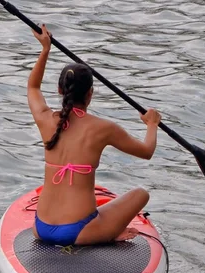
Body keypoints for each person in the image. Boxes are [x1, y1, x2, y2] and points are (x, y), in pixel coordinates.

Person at [27, 24, 162, 246]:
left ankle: (105, 229)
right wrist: (151, 124)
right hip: (79, 232)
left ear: (60, 90)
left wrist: (45, 50)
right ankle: (108, 232)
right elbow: (147, 152)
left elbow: (33, 88)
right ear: (90, 93)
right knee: (141, 194)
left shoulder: (46, 119)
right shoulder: (103, 128)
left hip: (40, 228)